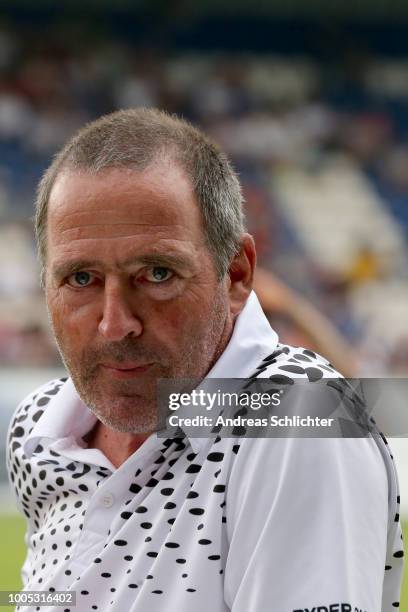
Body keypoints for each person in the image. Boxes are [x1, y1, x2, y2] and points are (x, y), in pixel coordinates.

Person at [7, 108, 403, 611]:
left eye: (156, 274)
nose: (115, 323)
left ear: (236, 274)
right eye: (80, 279)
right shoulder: (38, 428)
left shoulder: (298, 421)